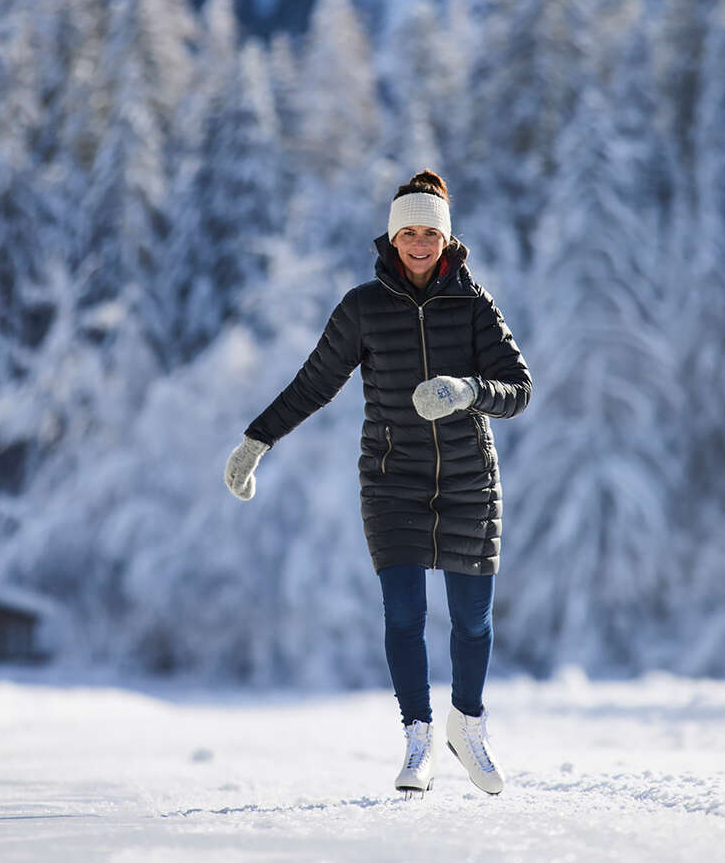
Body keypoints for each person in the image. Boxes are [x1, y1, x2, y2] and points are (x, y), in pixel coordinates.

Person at [224, 170, 531, 797]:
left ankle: (466, 727)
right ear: (392, 239)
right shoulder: (363, 309)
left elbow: (518, 390)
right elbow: (313, 384)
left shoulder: (474, 306)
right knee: (405, 614)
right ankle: (418, 739)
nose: (419, 243)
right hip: (394, 481)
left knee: (472, 622)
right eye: (408, 232)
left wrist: (467, 391)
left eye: (430, 233)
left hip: (470, 479)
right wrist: (257, 441)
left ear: (447, 240)